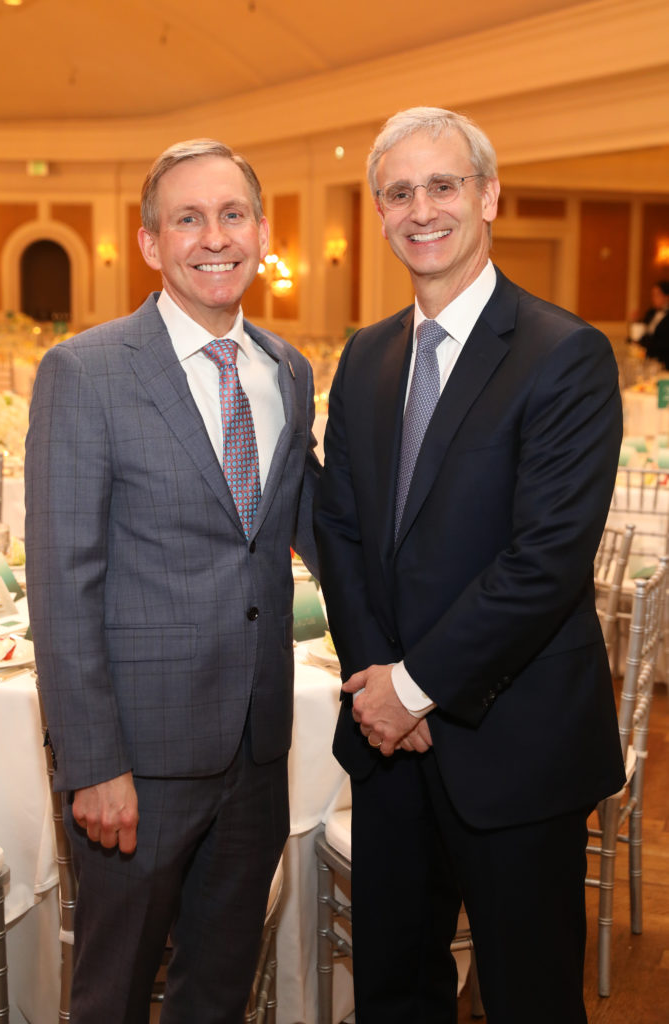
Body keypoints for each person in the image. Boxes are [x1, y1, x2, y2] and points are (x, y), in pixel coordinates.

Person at [314, 107, 625, 1024]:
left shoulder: (563, 353)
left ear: (487, 196)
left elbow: (546, 561)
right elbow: (340, 529)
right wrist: (381, 691)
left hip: (515, 748)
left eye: (442, 186)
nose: (421, 209)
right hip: (389, 750)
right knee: (395, 993)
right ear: (378, 213)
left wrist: (411, 687)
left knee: (528, 998)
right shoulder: (367, 353)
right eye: (398, 192)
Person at [25, 138, 320, 1024]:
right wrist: (93, 762)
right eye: (186, 218)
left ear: (262, 232)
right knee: (112, 992)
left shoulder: (287, 371)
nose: (213, 236)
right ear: (151, 243)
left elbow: (307, 532)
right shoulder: (87, 372)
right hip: (137, 765)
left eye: (232, 215)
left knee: (218, 988)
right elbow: (63, 580)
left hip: (260, 750)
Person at [633, 279, 669, 368]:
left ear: (666, 297)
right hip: (647, 358)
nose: (653, 298)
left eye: (657, 295)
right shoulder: (651, 312)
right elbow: (644, 331)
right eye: (652, 295)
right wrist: (636, 321)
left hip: (664, 361)